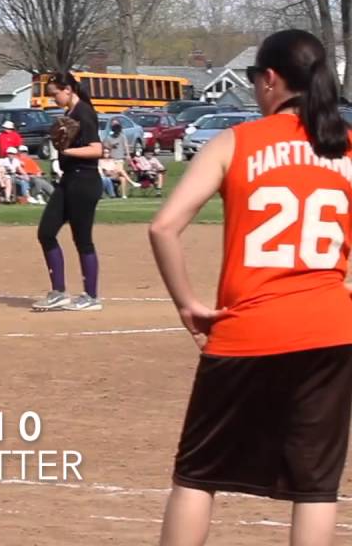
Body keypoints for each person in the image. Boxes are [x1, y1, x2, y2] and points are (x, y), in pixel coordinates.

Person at [149, 29, 352, 546]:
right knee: (314, 487)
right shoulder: (345, 147)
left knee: (198, 476)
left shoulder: (237, 141)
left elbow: (164, 226)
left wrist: (188, 305)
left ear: (271, 79)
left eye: (256, 81)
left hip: (248, 331)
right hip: (331, 331)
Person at [33, 72, 103, 312]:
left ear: (69, 90)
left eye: (55, 94)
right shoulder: (69, 115)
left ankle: (91, 297)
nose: (54, 99)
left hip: (85, 181)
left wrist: (67, 152)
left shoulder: (84, 112)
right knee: (46, 232)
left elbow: (96, 150)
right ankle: (59, 292)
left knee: (82, 240)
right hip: (69, 181)